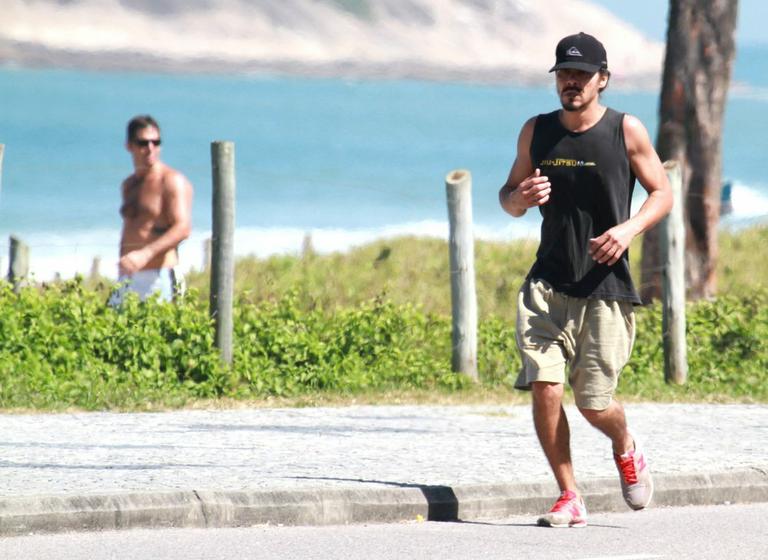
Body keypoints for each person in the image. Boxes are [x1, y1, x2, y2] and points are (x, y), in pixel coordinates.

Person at [498, 32, 673, 528]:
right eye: (563, 74)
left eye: (580, 74)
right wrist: (520, 199)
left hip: (605, 287)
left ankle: (625, 444)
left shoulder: (625, 130)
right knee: (545, 386)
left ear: (603, 79)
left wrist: (628, 229)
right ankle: (569, 494)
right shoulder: (537, 131)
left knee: (594, 403)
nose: (570, 82)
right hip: (547, 283)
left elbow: (662, 192)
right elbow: (508, 196)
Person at [108, 115, 193, 306]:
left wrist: (145, 254)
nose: (150, 149)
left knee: (163, 333)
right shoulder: (129, 185)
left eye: (156, 142)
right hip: (129, 277)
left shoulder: (170, 181)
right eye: (143, 143)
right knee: (114, 332)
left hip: (160, 276)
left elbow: (183, 228)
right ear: (129, 146)